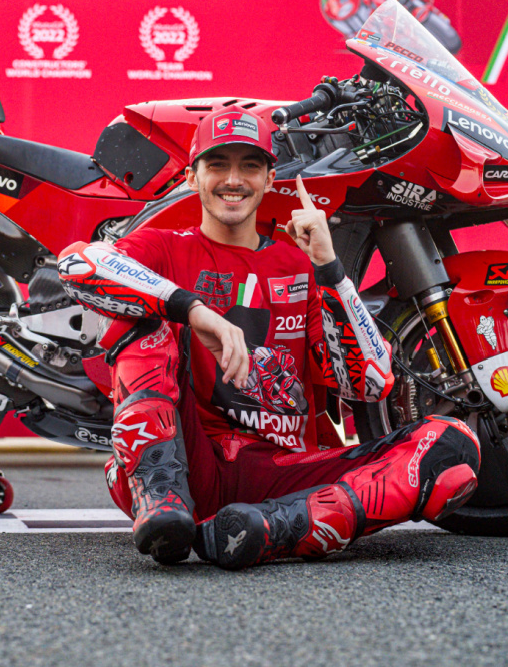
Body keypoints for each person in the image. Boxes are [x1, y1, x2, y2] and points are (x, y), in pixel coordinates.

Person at [57, 104, 481, 568]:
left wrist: (330, 269)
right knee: (140, 314)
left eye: (249, 166)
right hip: (187, 460)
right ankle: (162, 498)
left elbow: (371, 383)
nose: (233, 179)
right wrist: (194, 310)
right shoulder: (162, 247)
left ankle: (270, 530)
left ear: (269, 177)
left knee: (451, 445)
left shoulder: (297, 265)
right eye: (217, 165)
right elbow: (78, 264)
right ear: (191, 178)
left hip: (281, 477)